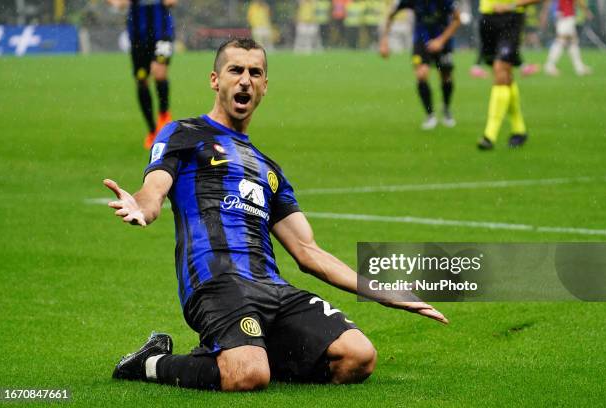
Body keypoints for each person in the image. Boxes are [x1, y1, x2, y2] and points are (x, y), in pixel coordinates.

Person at [105, 38, 448, 391]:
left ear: (264, 86)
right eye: (235, 70)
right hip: (216, 285)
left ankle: (245, 353)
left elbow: (308, 252)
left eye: (255, 73)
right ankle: (150, 361)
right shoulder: (185, 134)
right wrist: (142, 207)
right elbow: (155, 190)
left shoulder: (269, 170)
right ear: (214, 79)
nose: (245, 80)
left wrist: (384, 292)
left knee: (358, 357)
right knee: (250, 375)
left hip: (272, 290)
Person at [380, 0, 461, 130]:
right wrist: (384, 40)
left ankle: (446, 109)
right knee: (421, 74)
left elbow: (457, 20)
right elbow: (391, 14)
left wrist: (440, 41)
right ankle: (430, 115)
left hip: (443, 40)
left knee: (446, 76)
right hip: (421, 40)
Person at [107, 0, 176, 150]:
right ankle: (152, 130)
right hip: (138, 37)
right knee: (141, 80)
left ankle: (164, 115)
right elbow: (119, 4)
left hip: (162, 33)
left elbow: (171, 2)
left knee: (159, 73)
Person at [476, 0, 542, 150]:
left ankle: (489, 136)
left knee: (500, 71)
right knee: (504, 76)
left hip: (510, 19)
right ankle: (519, 130)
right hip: (487, 20)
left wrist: (511, 6)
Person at [542, 0, 593, 76]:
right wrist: (586, 11)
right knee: (561, 41)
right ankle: (549, 66)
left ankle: (579, 67)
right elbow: (578, 1)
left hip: (562, 15)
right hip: (567, 16)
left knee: (572, 42)